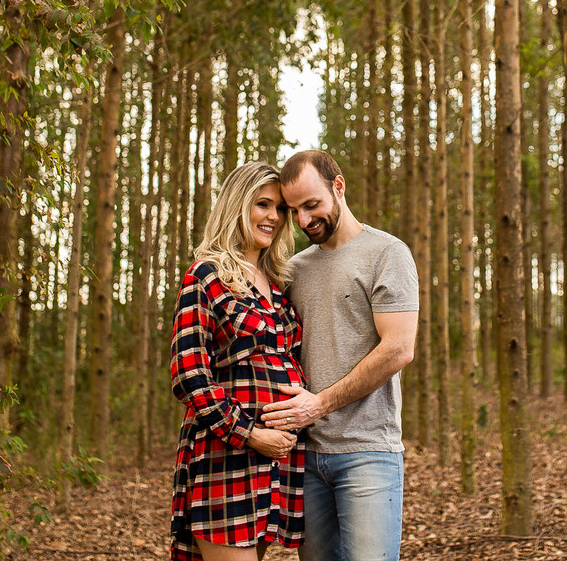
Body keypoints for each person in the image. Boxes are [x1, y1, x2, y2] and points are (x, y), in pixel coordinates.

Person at [261, 150, 419, 561]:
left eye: (311, 205)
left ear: (339, 186)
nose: (303, 221)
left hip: (368, 452)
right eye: (292, 210)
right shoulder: (292, 269)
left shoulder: (387, 253)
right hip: (304, 457)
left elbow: (399, 348)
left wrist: (320, 404)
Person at [170, 162, 306, 561]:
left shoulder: (279, 284)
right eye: (263, 204)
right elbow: (189, 373)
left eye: (280, 209)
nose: (273, 217)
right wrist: (250, 433)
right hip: (226, 454)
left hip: (279, 461)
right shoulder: (206, 276)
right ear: (237, 205)